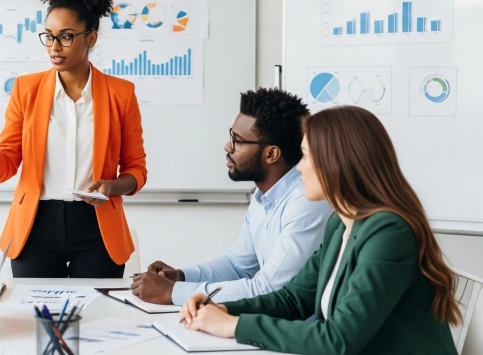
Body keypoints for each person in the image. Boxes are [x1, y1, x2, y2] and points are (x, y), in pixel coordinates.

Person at [180, 106, 459, 354]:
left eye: (304, 157)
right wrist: (223, 309)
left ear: (336, 163)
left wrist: (234, 326)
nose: (298, 168)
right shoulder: (341, 224)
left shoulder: (389, 233)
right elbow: (294, 299)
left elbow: (339, 339)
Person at [0, 0, 147, 278]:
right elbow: (4, 167)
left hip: (97, 227)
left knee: (93, 321)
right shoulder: (26, 89)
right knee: (36, 320)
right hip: (35, 225)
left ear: (91, 38)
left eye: (66, 37)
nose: (54, 47)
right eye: (48, 36)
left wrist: (112, 185)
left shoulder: (121, 93)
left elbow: (136, 169)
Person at [131, 88, 333, 305]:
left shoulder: (306, 201)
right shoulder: (264, 194)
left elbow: (270, 289)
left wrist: (173, 293)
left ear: (271, 154)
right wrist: (181, 277)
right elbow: (237, 266)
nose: (228, 146)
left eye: (238, 141)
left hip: (299, 330)